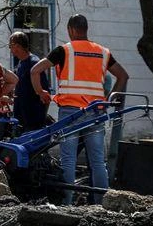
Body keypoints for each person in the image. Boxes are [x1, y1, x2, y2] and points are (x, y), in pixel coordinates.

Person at [31, 14, 129, 204]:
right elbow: (123, 76)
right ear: (85, 29)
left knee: (68, 160)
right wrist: (110, 99)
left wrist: (40, 92)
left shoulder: (64, 50)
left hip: (70, 112)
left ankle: (66, 203)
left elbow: (35, 70)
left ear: (71, 30)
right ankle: (101, 205)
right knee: (98, 161)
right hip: (96, 113)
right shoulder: (103, 52)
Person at [8, 31, 50, 131]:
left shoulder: (34, 63)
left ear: (17, 46)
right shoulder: (20, 64)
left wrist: (42, 117)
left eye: (10, 46)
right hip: (21, 119)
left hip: (33, 121)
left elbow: (45, 94)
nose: (10, 49)